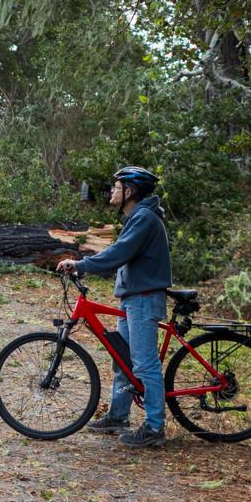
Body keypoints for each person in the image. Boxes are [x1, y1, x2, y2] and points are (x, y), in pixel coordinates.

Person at [56, 166, 173, 448]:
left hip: (144, 299)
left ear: (129, 192)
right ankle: (118, 415)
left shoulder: (144, 218)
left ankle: (155, 427)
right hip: (133, 297)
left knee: (145, 364)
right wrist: (85, 265)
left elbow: (119, 253)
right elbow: (118, 253)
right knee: (122, 360)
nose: (112, 191)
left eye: (117, 187)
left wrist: (81, 265)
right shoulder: (137, 216)